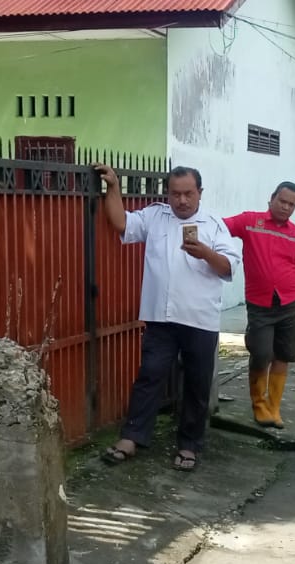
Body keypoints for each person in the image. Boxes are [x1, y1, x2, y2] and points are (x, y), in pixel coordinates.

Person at [98, 165, 241, 471]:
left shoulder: (214, 225)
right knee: (150, 375)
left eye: (189, 193)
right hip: (160, 318)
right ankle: (132, 437)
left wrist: (205, 253)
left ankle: (189, 445)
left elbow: (228, 268)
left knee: (196, 384)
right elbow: (121, 223)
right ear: (168, 194)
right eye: (175, 194)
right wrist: (112, 187)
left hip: (199, 320)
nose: (182, 200)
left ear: (199, 193)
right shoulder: (155, 216)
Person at [226, 184, 295, 430]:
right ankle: (259, 405)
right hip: (259, 303)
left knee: (284, 355)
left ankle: (274, 408)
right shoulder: (250, 222)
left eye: (291, 204)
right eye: (282, 201)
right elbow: (220, 227)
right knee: (261, 353)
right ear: (271, 198)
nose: (286, 207)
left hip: (289, 303)